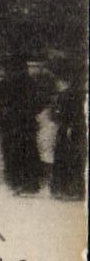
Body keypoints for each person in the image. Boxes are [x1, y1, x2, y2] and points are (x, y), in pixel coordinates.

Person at [0, 54, 50, 194]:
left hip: (11, 127)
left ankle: (17, 183)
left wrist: (4, 115)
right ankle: (28, 183)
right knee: (26, 153)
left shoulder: (3, 86)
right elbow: (40, 103)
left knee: (13, 155)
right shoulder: (28, 84)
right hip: (23, 126)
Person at [49, 63, 87, 201]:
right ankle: (73, 188)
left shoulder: (65, 95)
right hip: (75, 131)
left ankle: (63, 188)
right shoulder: (77, 95)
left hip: (67, 132)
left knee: (65, 159)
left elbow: (54, 115)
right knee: (75, 160)